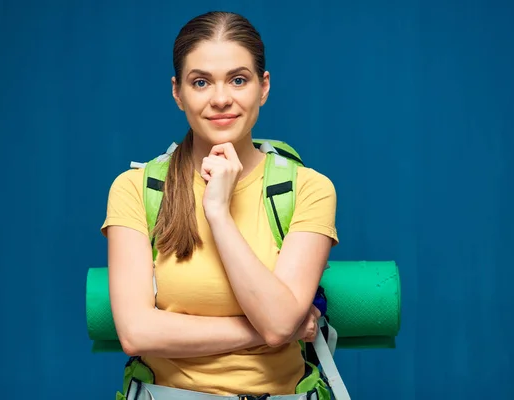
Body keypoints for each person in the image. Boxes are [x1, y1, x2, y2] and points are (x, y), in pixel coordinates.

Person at [101, 10, 339, 398]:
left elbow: (278, 324)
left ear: (263, 87)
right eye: (201, 82)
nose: (221, 99)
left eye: (238, 79)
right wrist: (264, 331)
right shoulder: (135, 189)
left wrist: (218, 213)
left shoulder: (309, 189)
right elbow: (136, 333)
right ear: (178, 92)